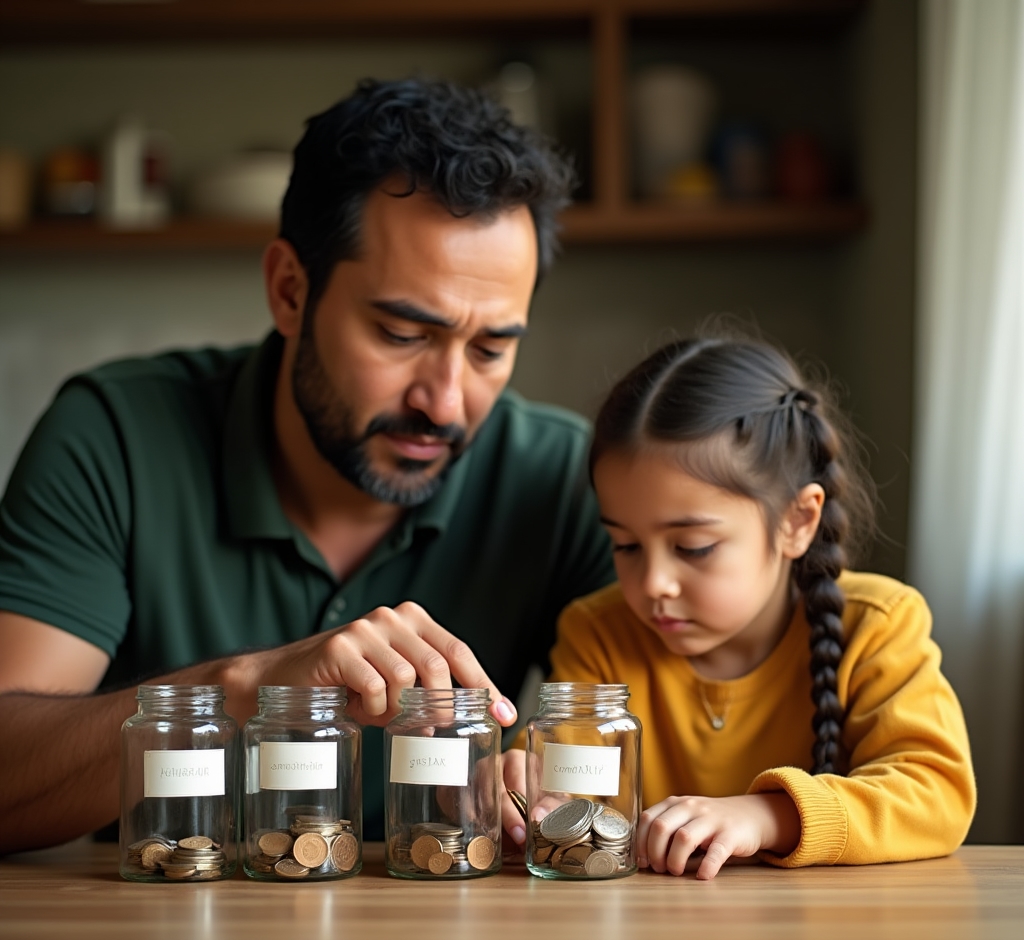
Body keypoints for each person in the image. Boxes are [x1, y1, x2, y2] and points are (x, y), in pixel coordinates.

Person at [0, 78, 615, 854]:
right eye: (401, 334)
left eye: (492, 349)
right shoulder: (113, 436)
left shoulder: (564, 476)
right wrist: (242, 690)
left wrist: (545, 784)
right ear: (290, 291)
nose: (447, 401)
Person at [504, 326, 976, 876]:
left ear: (797, 521)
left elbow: (936, 793)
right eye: (625, 544)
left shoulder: (877, 626)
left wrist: (769, 815)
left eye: (693, 547)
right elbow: (556, 784)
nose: (653, 581)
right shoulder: (599, 632)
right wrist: (525, 788)